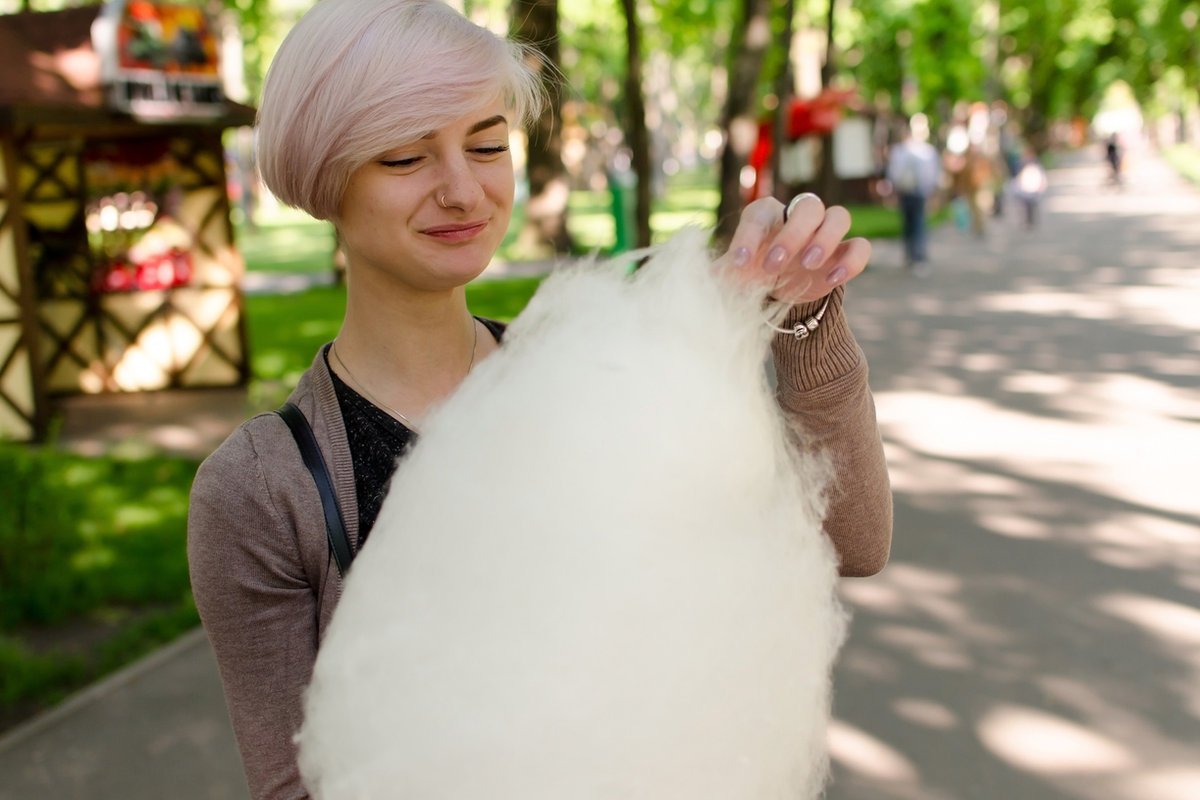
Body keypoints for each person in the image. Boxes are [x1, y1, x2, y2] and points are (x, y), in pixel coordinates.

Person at [186, 1, 893, 797]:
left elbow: (854, 541)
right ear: (326, 175)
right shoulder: (260, 489)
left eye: (487, 145)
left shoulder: (597, 378)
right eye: (404, 158)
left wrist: (797, 317)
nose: (463, 190)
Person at [885, 114, 941, 273]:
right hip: (918, 192)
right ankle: (917, 256)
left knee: (910, 224)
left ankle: (912, 256)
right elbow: (933, 175)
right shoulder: (927, 151)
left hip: (907, 192)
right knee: (917, 224)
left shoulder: (900, 151)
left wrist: (892, 191)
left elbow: (893, 174)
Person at [1013, 147, 1048, 229]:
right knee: (1025, 206)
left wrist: (1042, 185)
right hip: (1025, 189)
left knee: (1032, 205)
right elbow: (1018, 176)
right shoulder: (1021, 164)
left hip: (1033, 188)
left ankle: (1031, 221)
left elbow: (1041, 175)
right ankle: (1027, 221)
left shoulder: (1036, 164)